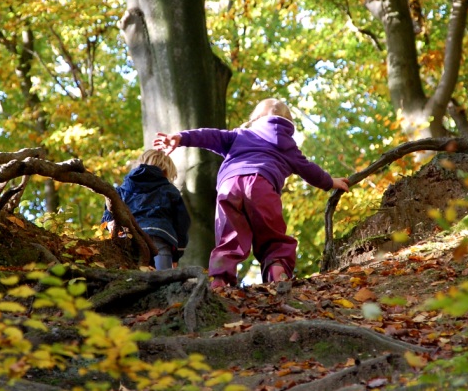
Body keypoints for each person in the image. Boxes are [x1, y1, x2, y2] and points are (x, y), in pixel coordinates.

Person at [153, 98, 349, 288]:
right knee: (273, 238)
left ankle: (220, 281)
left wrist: (181, 138)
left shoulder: (240, 135)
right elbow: (309, 169)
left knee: (228, 239)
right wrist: (331, 181)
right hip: (262, 185)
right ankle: (277, 274)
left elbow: (210, 135)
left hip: (229, 186)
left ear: (254, 119)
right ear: (289, 123)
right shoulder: (288, 146)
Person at [101, 149, 190, 270]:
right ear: (166, 171)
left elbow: (109, 211)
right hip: (160, 236)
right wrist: (177, 254)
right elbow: (182, 222)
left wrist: (111, 224)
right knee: (164, 279)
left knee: (131, 276)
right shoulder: (170, 190)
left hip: (130, 236)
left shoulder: (124, 188)